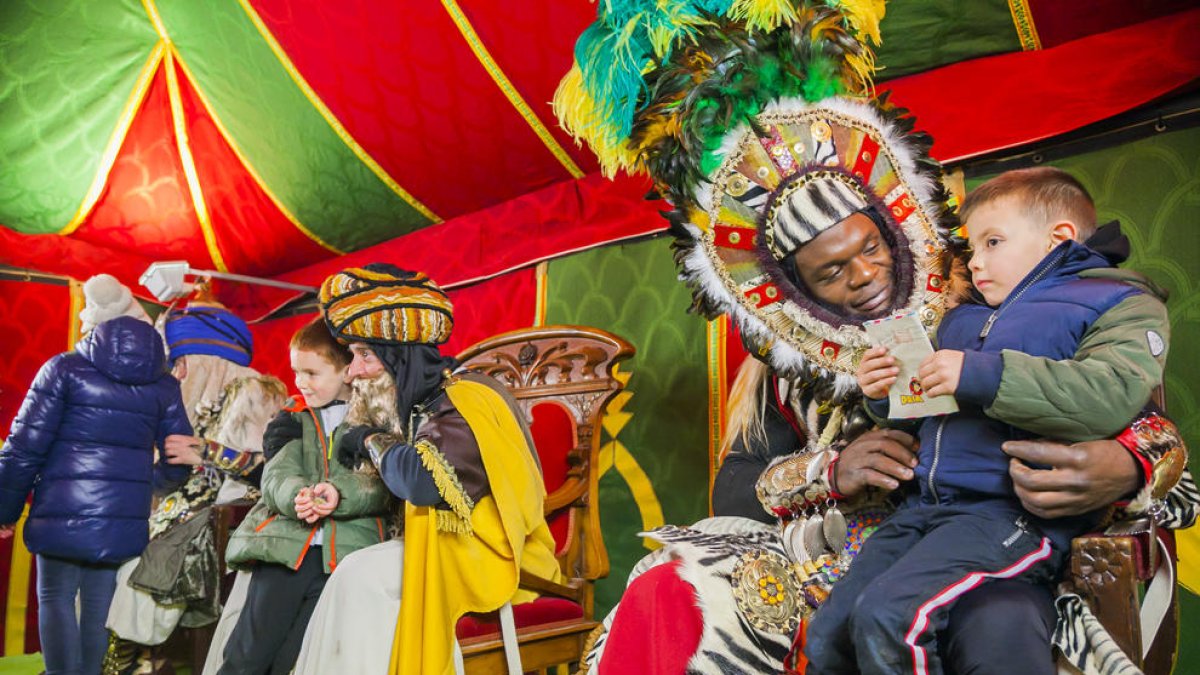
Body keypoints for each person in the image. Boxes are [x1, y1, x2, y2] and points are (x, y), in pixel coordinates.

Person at [804, 167, 1170, 674]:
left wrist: (978, 372)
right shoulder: (962, 318)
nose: (974, 263)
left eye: (991, 242)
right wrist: (885, 393)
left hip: (1008, 515)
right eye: (971, 248)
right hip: (926, 510)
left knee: (891, 615)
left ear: (1056, 238)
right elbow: (922, 412)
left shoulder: (1117, 303)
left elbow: (1107, 396)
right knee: (828, 630)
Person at [291, 264, 561, 675]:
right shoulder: (422, 400)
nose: (354, 371)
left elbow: (421, 481)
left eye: (365, 354)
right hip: (442, 549)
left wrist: (368, 439)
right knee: (348, 575)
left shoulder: (465, 397)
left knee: (358, 577)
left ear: (399, 354)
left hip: (492, 554)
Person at [0, 274, 192, 675]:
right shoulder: (163, 386)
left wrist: (4, 509)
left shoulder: (63, 369)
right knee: (98, 605)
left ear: (93, 326)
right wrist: (148, 487)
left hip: (58, 509)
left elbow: (23, 447)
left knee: (55, 597)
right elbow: (183, 455)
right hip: (122, 518)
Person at [103, 290, 288, 675]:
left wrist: (206, 452)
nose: (177, 373)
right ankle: (121, 656)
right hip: (178, 520)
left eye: (181, 362)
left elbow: (266, 472)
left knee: (141, 568)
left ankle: (130, 660)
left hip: (223, 528)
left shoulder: (253, 393)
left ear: (211, 359)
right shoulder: (196, 401)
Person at [216, 318, 390, 674]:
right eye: (297, 372)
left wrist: (339, 494)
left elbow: (380, 487)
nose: (300, 382)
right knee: (248, 654)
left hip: (343, 557)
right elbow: (277, 475)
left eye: (311, 373)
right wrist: (296, 494)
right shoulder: (294, 418)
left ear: (347, 370)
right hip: (287, 548)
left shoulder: (375, 422)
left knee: (295, 657)